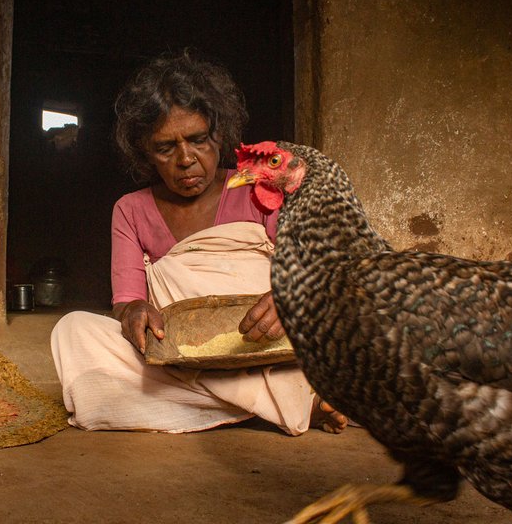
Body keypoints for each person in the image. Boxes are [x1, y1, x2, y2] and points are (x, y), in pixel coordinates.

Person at [50, 50, 347, 435]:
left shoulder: (258, 190)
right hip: (181, 355)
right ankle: (290, 399)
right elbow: (125, 301)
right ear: (145, 151)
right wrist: (135, 312)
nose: (186, 159)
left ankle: (250, 400)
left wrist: (289, 295)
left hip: (267, 344)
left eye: (197, 140)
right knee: (73, 332)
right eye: (165, 148)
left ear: (218, 135)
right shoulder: (130, 209)